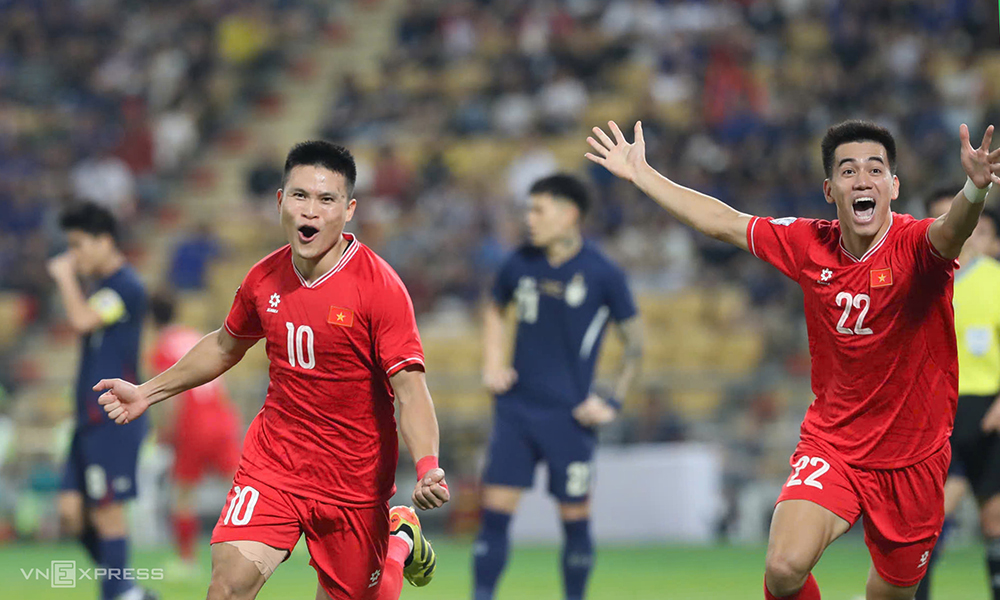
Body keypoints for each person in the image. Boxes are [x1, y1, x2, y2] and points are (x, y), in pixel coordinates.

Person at [585, 118, 1000, 600]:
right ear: (830, 189)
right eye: (848, 171)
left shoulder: (915, 245)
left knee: (890, 595)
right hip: (834, 445)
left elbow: (951, 233)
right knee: (783, 567)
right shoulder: (810, 244)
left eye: (875, 169)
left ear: (893, 186)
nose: (862, 179)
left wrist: (974, 189)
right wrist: (644, 175)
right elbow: (726, 223)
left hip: (913, 458)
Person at [93, 141, 449, 600]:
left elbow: (410, 390)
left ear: (349, 209)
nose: (312, 211)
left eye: (327, 199)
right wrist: (148, 392)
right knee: (226, 587)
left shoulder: (380, 288)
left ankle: (400, 539)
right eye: (300, 195)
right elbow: (224, 346)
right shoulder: (263, 278)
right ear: (281, 201)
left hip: (353, 480)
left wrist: (427, 467)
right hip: (274, 465)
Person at [474, 174, 644, 600]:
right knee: (493, 518)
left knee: (575, 522)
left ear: (570, 215)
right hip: (515, 412)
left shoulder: (602, 272)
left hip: (570, 417)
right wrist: (493, 362)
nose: (528, 219)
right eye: (528, 209)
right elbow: (494, 309)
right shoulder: (519, 263)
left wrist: (612, 401)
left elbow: (635, 344)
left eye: (538, 210)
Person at [49, 202, 156, 600]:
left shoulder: (126, 286)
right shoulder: (102, 289)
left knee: (107, 510)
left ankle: (119, 594)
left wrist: (63, 277)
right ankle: (128, 588)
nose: (73, 257)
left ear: (103, 241)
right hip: (88, 421)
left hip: (113, 417)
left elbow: (80, 321)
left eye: (77, 246)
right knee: (70, 512)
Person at [915, 193, 1000, 600]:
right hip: (934, 411)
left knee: (994, 518)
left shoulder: (994, 279)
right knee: (929, 516)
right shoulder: (924, 278)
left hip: (986, 409)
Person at [147, 290, 243, 574]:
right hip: (221, 416)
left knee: (183, 494)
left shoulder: (163, 346)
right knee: (244, 486)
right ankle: (283, 540)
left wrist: (166, 432)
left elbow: (172, 396)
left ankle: (186, 560)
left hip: (193, 422)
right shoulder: (194, 336)